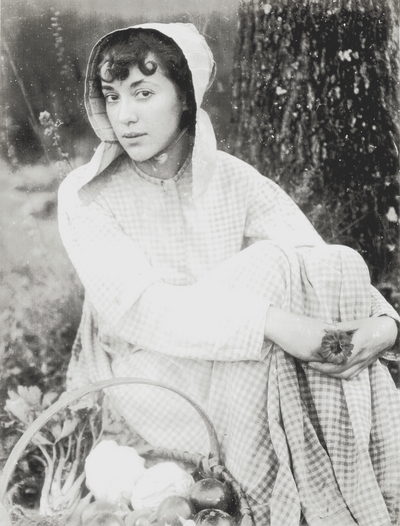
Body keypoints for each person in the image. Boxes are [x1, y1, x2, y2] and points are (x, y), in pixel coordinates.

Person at [58, 23, 400, 526]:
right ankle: (277, 507)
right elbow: (145, 312)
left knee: (335, 261)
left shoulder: (232, 177)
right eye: (112, 97)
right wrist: (273, 323)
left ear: (186, 97)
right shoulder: (87, 196)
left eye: (144, 93)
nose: (124, 115)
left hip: (233, 365)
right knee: (268, 281)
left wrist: (384, 325)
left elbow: (319, 261)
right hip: (151, 382)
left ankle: (360, 495)